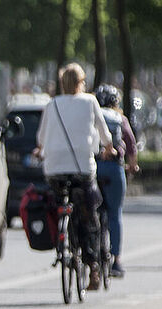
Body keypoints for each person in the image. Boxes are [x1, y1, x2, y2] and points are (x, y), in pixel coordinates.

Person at [35, 63, 114, 290]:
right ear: (82, 82)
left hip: (54, 169)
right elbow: (104, 133)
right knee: (89, 216)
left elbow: (41, 139)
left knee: (59, 203)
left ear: (61, 83)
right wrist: (109, 148)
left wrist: (41, 150)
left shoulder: (52, 104)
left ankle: (61, 238)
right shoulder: (90, 102)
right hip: (82, 168)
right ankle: (93, 266)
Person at [94, 85, 140, 278]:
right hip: (114, 168)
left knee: (92, 211)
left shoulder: (93, 116)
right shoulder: (120, 119)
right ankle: (116, 261)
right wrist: (132, 166)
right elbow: (131, 147)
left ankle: (92, 256)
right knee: (115, 214)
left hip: (94, 167)